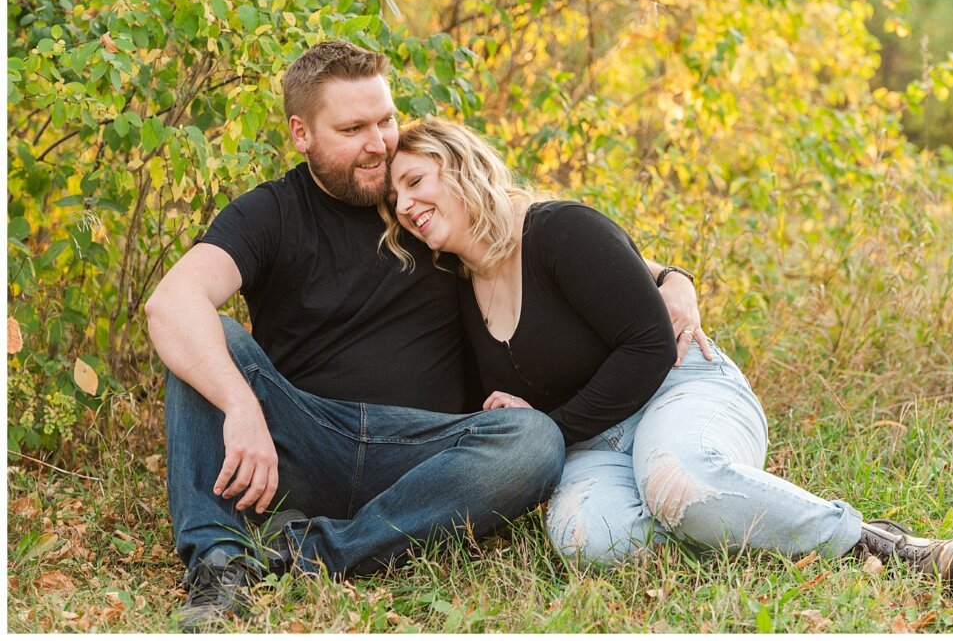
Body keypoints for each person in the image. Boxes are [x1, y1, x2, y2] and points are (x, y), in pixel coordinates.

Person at [144, 40, 704, 631]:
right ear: (301, 133)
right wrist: (240, 405)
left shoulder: (430, 202)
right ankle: (218, 563)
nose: (378, 143)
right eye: (352, 127)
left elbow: (539, 230)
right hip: (305, 443)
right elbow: (171, 303)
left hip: (425, 455)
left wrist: (670, 277)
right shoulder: (269, 214)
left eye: (386, 120)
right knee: (210, 337)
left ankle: (313, 553)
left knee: (534, 438)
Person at [382, 118, 953, 586]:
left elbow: (648, 344)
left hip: (678, 388)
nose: (406, 205)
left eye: (415, 181)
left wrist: (548, 429)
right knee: (589, 539)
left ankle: (873, 542)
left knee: (679, 480)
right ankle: (738, 528)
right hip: (594, 442)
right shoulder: (456, 284)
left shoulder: (558, 229)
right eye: (395, 198)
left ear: (459, 166)